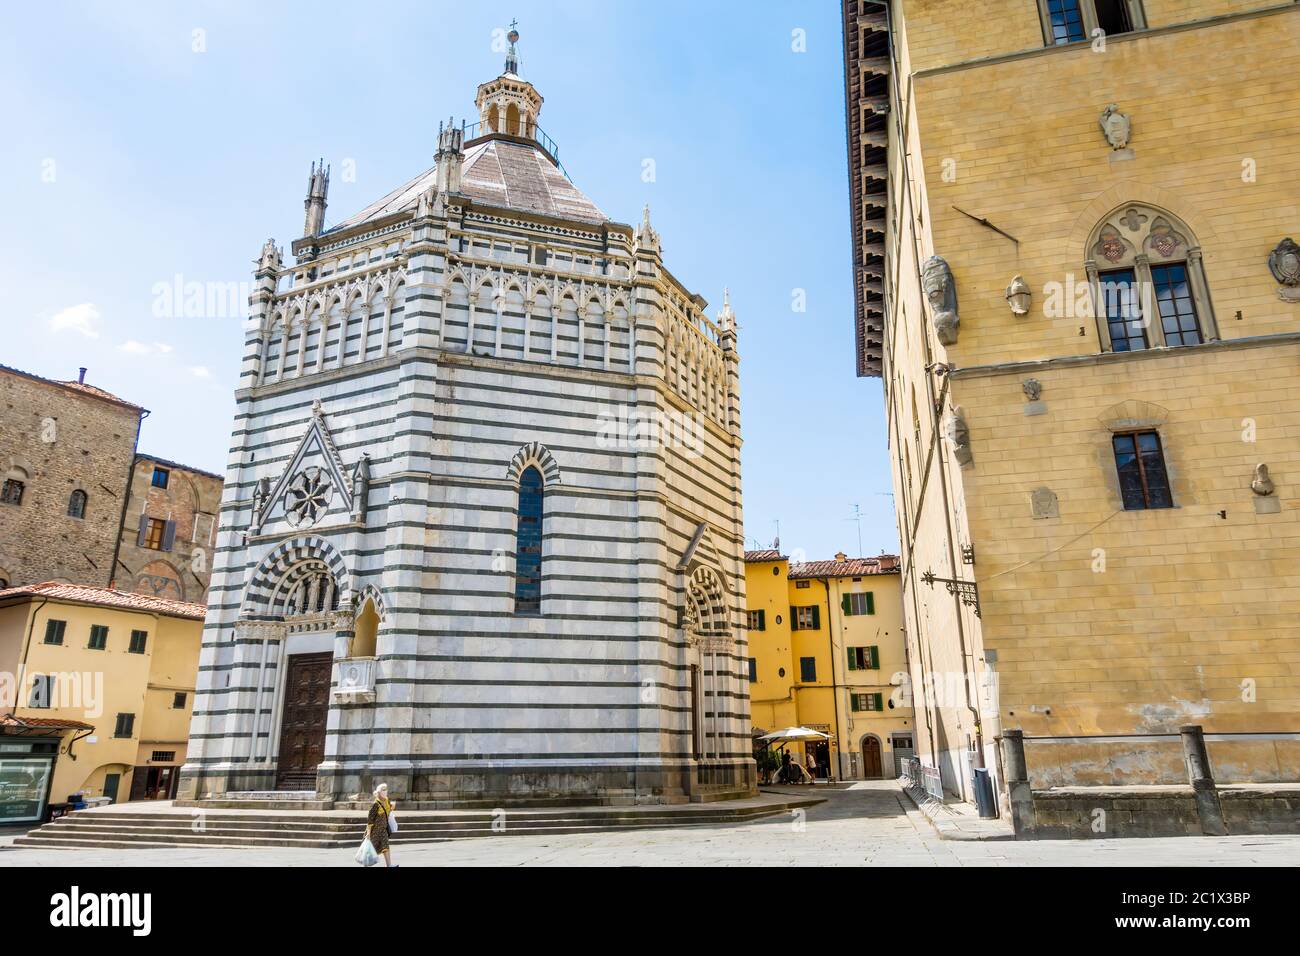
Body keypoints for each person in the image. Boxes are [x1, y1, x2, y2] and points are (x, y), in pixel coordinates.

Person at [367, 782, 398, 867]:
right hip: (375, 831)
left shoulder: (387, 800)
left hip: (383, 829)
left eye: (386, 789)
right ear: (379, 792)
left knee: (386, 846)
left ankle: (389, 865)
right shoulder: (375, 804)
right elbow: (370, 819)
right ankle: (365, 864)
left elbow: (389, 810)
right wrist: (369, 833)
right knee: (370, 849)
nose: (385, 791)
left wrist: (393, 807)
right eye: (383, 790)